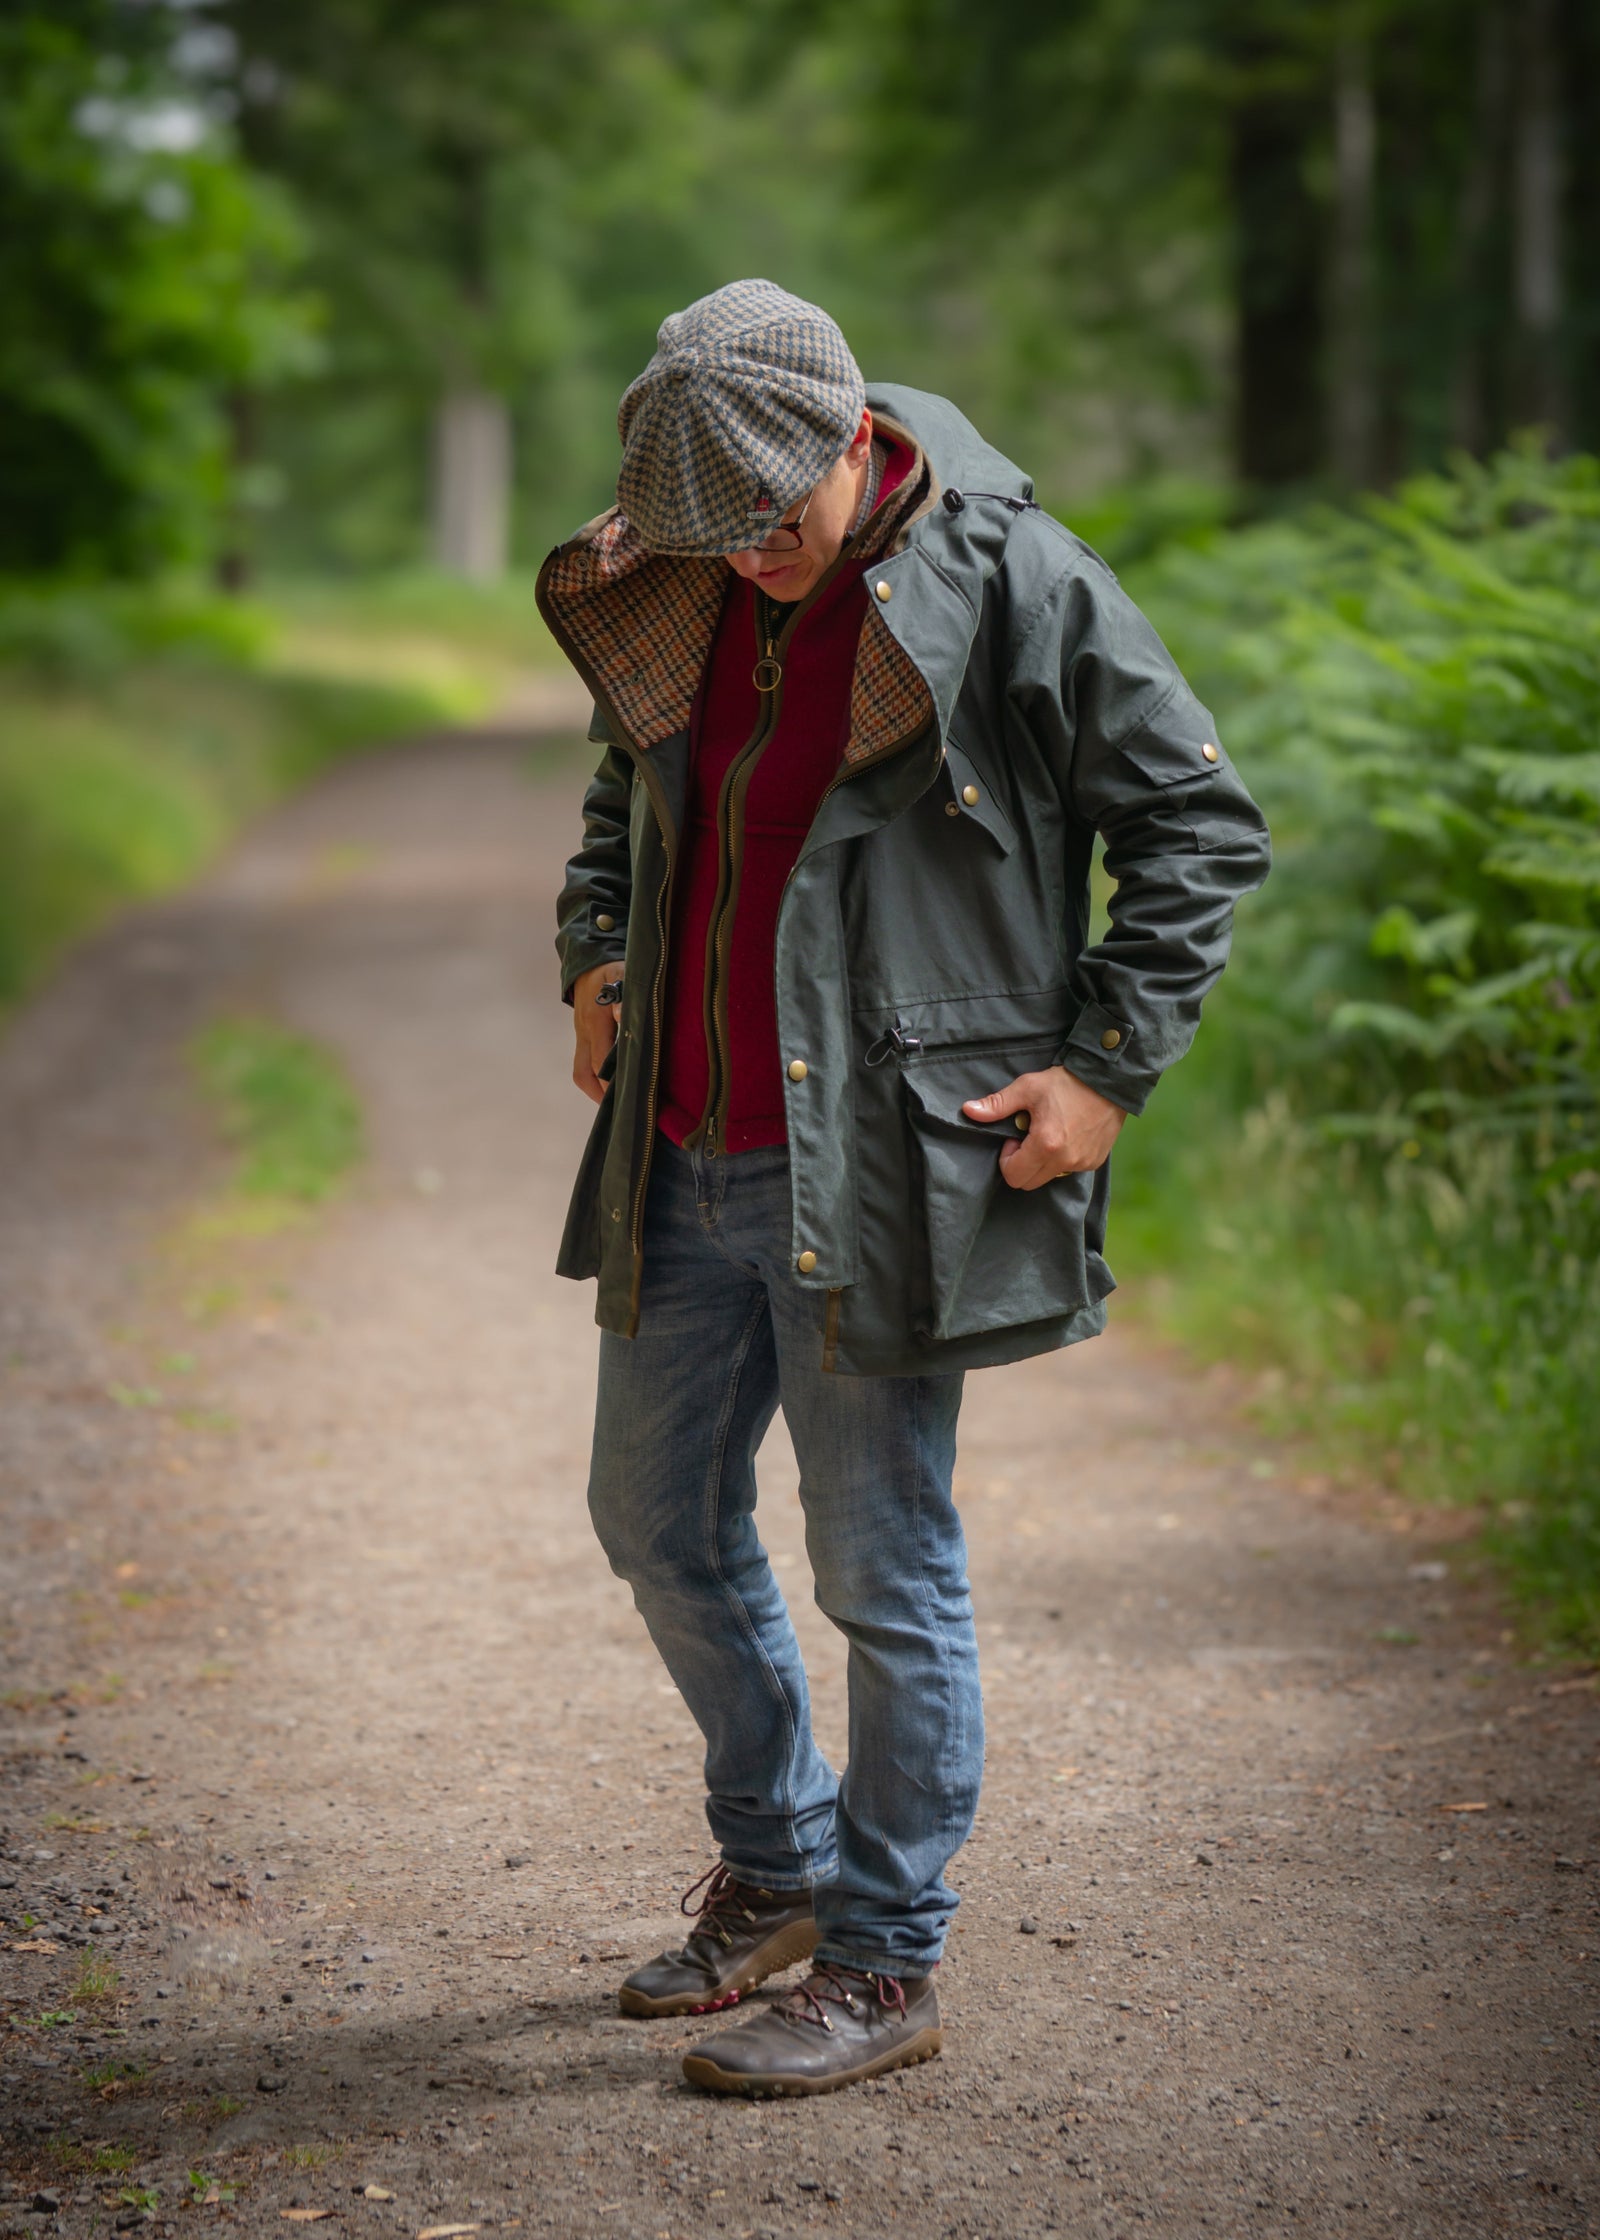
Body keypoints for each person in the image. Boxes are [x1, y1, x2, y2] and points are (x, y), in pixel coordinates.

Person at [535, 279, 1269, 2098]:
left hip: (881, 1168)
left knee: (884, 1567)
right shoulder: (695, 569)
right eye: (724, 537)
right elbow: (622, 796)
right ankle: (775, 1861)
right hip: (681, 1149)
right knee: (655, 1524)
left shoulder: (1016, 580)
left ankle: (883, 1958)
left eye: (782, 523)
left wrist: (1108, 1070)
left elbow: (1199, 826)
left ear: (853, 438)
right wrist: (594, 954)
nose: (759, 562)